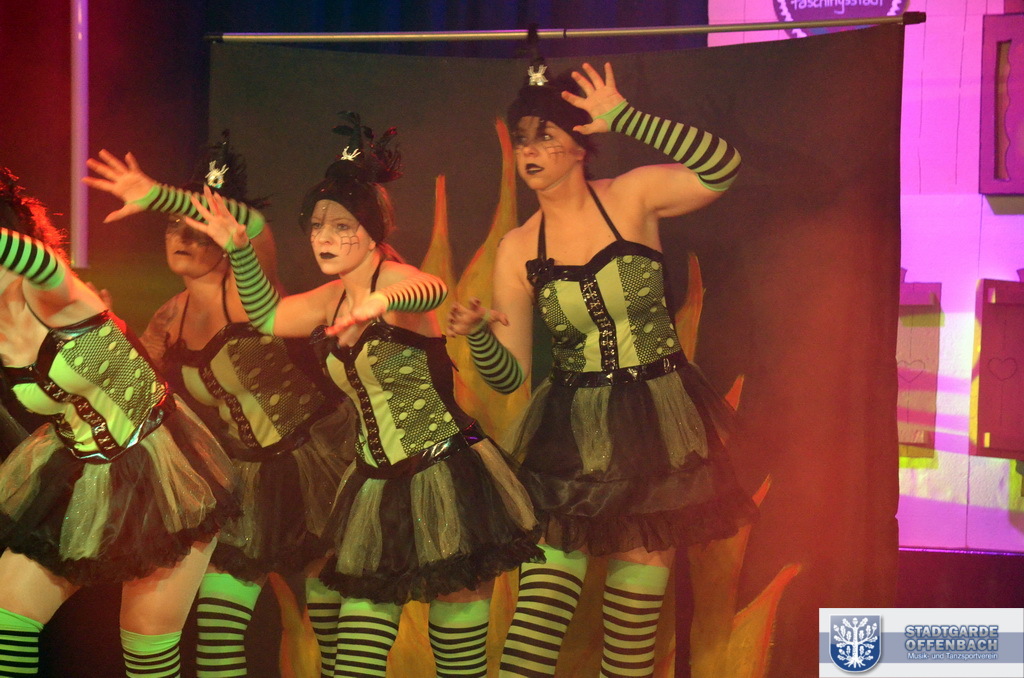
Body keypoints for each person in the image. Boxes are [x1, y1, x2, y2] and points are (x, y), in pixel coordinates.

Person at [109, 115, 542, 678]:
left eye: (342, 227)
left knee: (458, 658)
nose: (325, 239)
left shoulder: (395, 280)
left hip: (446, 476)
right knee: (355, 656)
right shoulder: (329, 298)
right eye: (316, 227)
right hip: (376, 488)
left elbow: (429, 288)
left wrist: (380, 304)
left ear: (372, 232)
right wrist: (238, 248)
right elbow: (268, 316)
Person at [447, 62, 758, 677]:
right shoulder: (520, 247)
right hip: (569, 437)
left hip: (653, 428)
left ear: (580, 143)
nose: (530, 151)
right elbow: (510, 377)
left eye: (545, 136)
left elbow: (721, 168)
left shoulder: (631, 196)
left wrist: (626, 118)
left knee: (632, 631)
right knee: (537, 620)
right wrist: (481, 336)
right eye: (522, 139)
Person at [84, 137, 356, 678]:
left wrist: (158, 194)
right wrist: (96, 329)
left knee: (332, 624)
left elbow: (249, 225)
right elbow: (133, 392)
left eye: (197, 226)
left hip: (320, 460)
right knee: (218, 623)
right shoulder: (169, 318)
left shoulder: (251, 283)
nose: (183, 237)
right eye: (172, 226)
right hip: (247, 478)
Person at [0, 166, 238, 678]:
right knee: (6, 622)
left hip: (162, 473)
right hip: (74, 469)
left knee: (147, 648)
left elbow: (37, 259)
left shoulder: (51, 289)